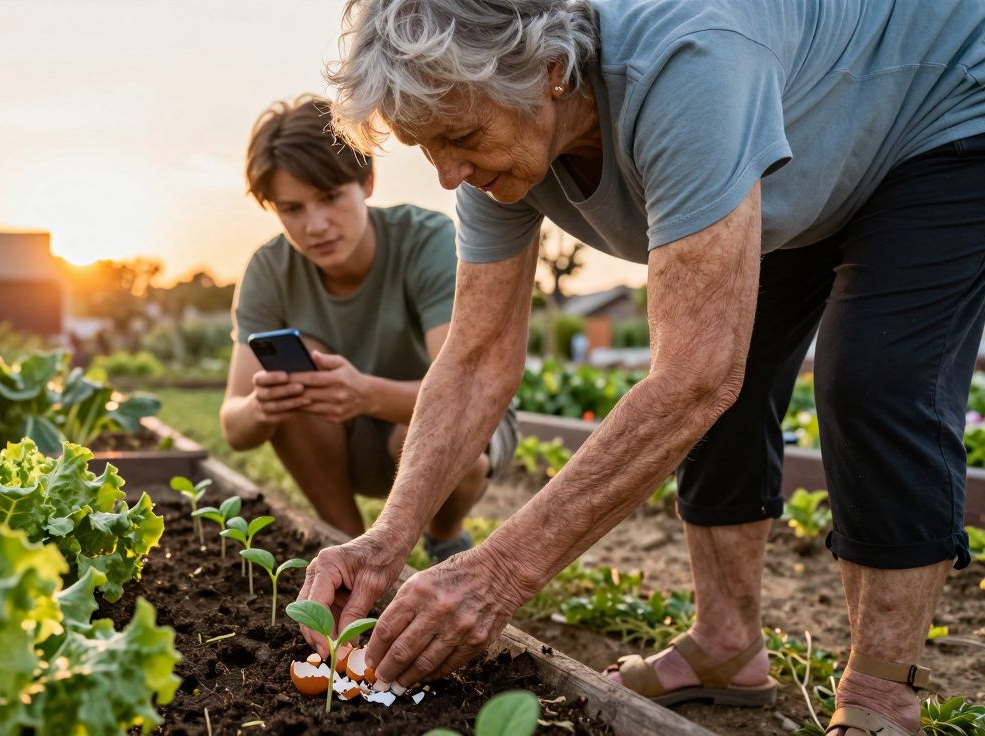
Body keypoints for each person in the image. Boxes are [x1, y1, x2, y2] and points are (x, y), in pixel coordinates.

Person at [296, 2, 985, 735]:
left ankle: (882, 694)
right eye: (425, 146)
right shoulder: (492, 142)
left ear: (552, 74)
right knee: (728, 363)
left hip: (938, 107)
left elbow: (694, 379)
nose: (447, 173)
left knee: (872, 378)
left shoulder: (687, 69)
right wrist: (386, 539)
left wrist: (497, 573)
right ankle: (725, 646)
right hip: (806, 139)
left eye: (460, 138)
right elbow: (472, 361)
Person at [220, 95, 518, 560]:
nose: (315, 225)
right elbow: (235, 426)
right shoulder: (268, 270)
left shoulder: (428, 242)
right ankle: (346, 546)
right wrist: (265, 404)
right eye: (292, 209)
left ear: (367, 182)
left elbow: (467, 393)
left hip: (461, 426)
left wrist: (363, 393)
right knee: (294, 381)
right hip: (348, 443)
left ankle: (444, 532)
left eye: (330, 197)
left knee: (423, 434)